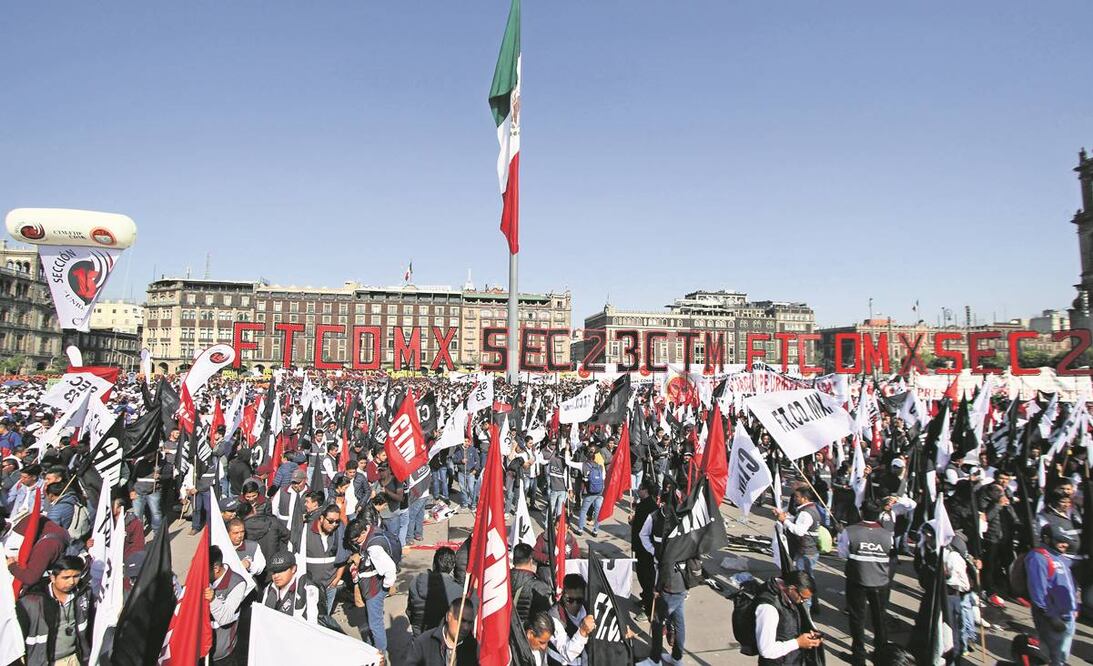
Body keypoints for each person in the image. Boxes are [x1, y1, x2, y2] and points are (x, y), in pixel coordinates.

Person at [836, 499, 892, 666]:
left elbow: (842, 554)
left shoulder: (850, 531)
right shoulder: (887, 534)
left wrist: (840, 536)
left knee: (857, 618)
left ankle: (859, 656)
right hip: (880, 582)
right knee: (879, 618)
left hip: (857, 580)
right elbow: (890, 553)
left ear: (861, 512)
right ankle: (881, 654)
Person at [15, 555, 93, 666]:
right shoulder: (31, 602)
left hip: (75, 659)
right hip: (45, 662)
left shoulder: (83, 594)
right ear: (53, 577)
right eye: (66, 577)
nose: (71, 582)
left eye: (76, 576)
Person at [347, 511, 400, 655]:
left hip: (374, 589)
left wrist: (385, 587)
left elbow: (390, 569)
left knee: (375, 624)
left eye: (356, 539)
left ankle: (380, 653)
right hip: (374, 586)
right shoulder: (372, 530)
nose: (355, 542)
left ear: (364, 532)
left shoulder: (373, 548)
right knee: (374, 621)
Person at [1026, 523, 1078, 665]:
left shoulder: (1060, 557)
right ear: (1046, 538)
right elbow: (1038, 592)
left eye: (1065, 541)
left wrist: (1074, 609)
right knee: (1052, 658)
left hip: (1068, 618)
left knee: (1062, 657)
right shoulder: (1038, 558)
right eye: (1059, 540)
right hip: (1053, 620)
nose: (1064, 545)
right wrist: (1052, 617)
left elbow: (1069, 583)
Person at [753, 570, 823, 665]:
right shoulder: (768, 609)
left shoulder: (790, 597)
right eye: (802, 598)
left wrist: (809, 636)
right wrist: (798, 643)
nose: (803, 602)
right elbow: (766, 650)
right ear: (792, 589)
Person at [774, 487, 822, 612]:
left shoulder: (805, 513)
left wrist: (784, 521)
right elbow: (800, 523)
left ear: (804, 498)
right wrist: (785, 517)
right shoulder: (812, 509)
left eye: (797, 496)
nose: (795, 499)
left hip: (805, 551)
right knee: (808, 579)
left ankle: (806, 609)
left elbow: (799, 531)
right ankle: (813, 605)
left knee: (802, 583)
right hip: (811, 550)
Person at [404, 597, 478, 666]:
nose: (466, 627)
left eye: (470, 623)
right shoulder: (424, 642)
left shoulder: (472, 646)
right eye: (462, 620)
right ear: (448, 617)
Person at [303, 503, 347, 617]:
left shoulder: (339, 532)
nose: (334, 525)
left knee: (324, 617)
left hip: (330, 585)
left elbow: (344, 555)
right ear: (321, 518)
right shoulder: (305, 531)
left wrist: (337, 578)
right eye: (330, 521)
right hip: (310, 586)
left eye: (337, 522)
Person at [408, 546, 462, 636]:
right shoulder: (457, 591)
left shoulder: (415, 582)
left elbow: (410, 610)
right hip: (440, 637)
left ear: (434, 564)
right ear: (452, 568)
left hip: (418, 634)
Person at [207, 545, 247, 665]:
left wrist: (213, 599)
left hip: (222, 655)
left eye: (205, 569)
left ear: (216, 568)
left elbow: (225, 618)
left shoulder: (237, 584)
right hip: (202, 651)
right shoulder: (203, 579)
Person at [261, 550, 321, 622]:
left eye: (281, 570)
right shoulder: (269, 588)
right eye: (274, 572)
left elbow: (312, 622)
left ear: (293, 569)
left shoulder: (306, 589)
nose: (276, 576)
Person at [510, 543, 554, 627]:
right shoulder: (540, 587)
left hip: (502, 631)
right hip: (527, 633)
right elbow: (545, 618)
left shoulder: (502, 581)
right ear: (530, 560)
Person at [577, 446, 606, 536]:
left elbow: (568, 462)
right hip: (600, 492)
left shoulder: (583, 465)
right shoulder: (600, 467)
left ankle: (580, 529)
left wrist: (566, 451)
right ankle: (595, 531)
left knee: (583, 511)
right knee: (598, 511)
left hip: (589, 493)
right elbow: (603, 477)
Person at [452, 437, 480, 509]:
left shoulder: (472, 449)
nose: (466, 443)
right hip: (461, 473)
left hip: (470, 472)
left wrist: (475, 470)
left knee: (471, 489)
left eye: (468, 441)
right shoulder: (458, 449)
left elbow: (477, 460)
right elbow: (454, 460)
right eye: (465, 441)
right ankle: (465, 503)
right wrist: (461, 461)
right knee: (462, 489)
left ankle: (473, 503)